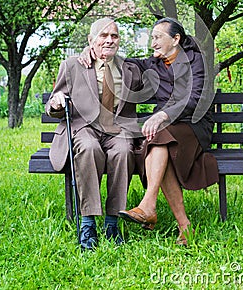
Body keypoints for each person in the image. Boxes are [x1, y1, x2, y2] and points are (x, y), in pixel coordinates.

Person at [80, 17, 219, 246]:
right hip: (164, 129)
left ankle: (149, 205)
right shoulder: (153, 63)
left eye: (157, 38)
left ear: (175, 39)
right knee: (157, 140)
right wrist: (92, 48)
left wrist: (162, 115)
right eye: (152, 38)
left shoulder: (196, 61)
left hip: (193, 126)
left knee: (158, 137)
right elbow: (118, 59)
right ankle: (180, 224)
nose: (152, 43)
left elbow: (196, 98)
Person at [46, 17, 142, 249]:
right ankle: (87, 223)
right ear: (91, 40)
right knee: (89, 149)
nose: (109, 40)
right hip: (83, 127)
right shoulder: (72, 65)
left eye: (114, 36)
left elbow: (157, 66)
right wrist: (57, 103)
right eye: (103, 35)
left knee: (122, 151)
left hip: (116, 129)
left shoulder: (129, 68)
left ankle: (112, 222)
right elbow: (52, 104)